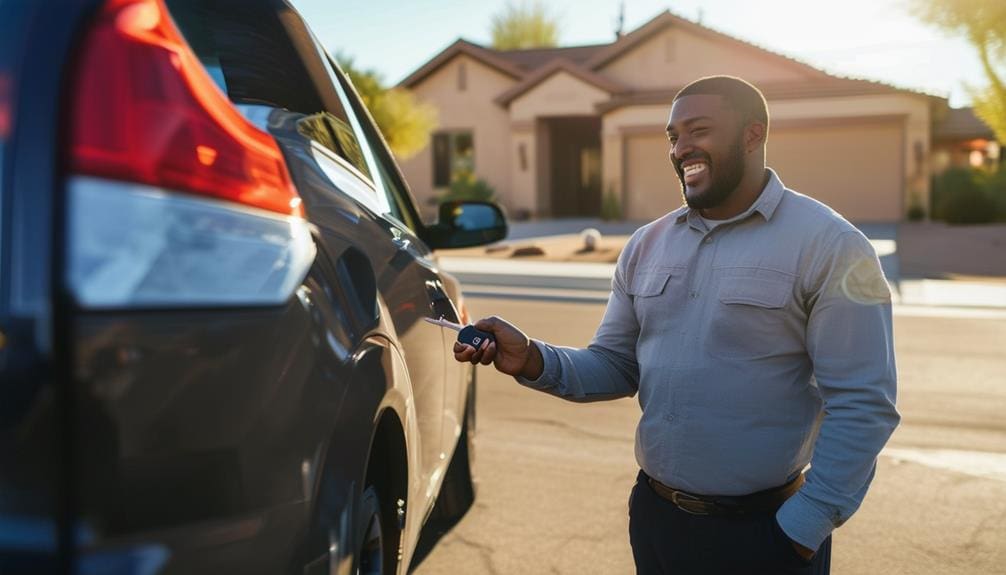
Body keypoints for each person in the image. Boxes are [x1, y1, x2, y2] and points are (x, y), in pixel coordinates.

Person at [453, 75, 900, 574]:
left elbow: (864, 403)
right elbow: (616, 365)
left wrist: (801, 529)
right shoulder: (646, 244)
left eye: (698, 130)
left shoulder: (832, 245)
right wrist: (532, 357)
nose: (681, 148)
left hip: (769, 535)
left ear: (753, 135)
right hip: (658, 522)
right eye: (673, 136)